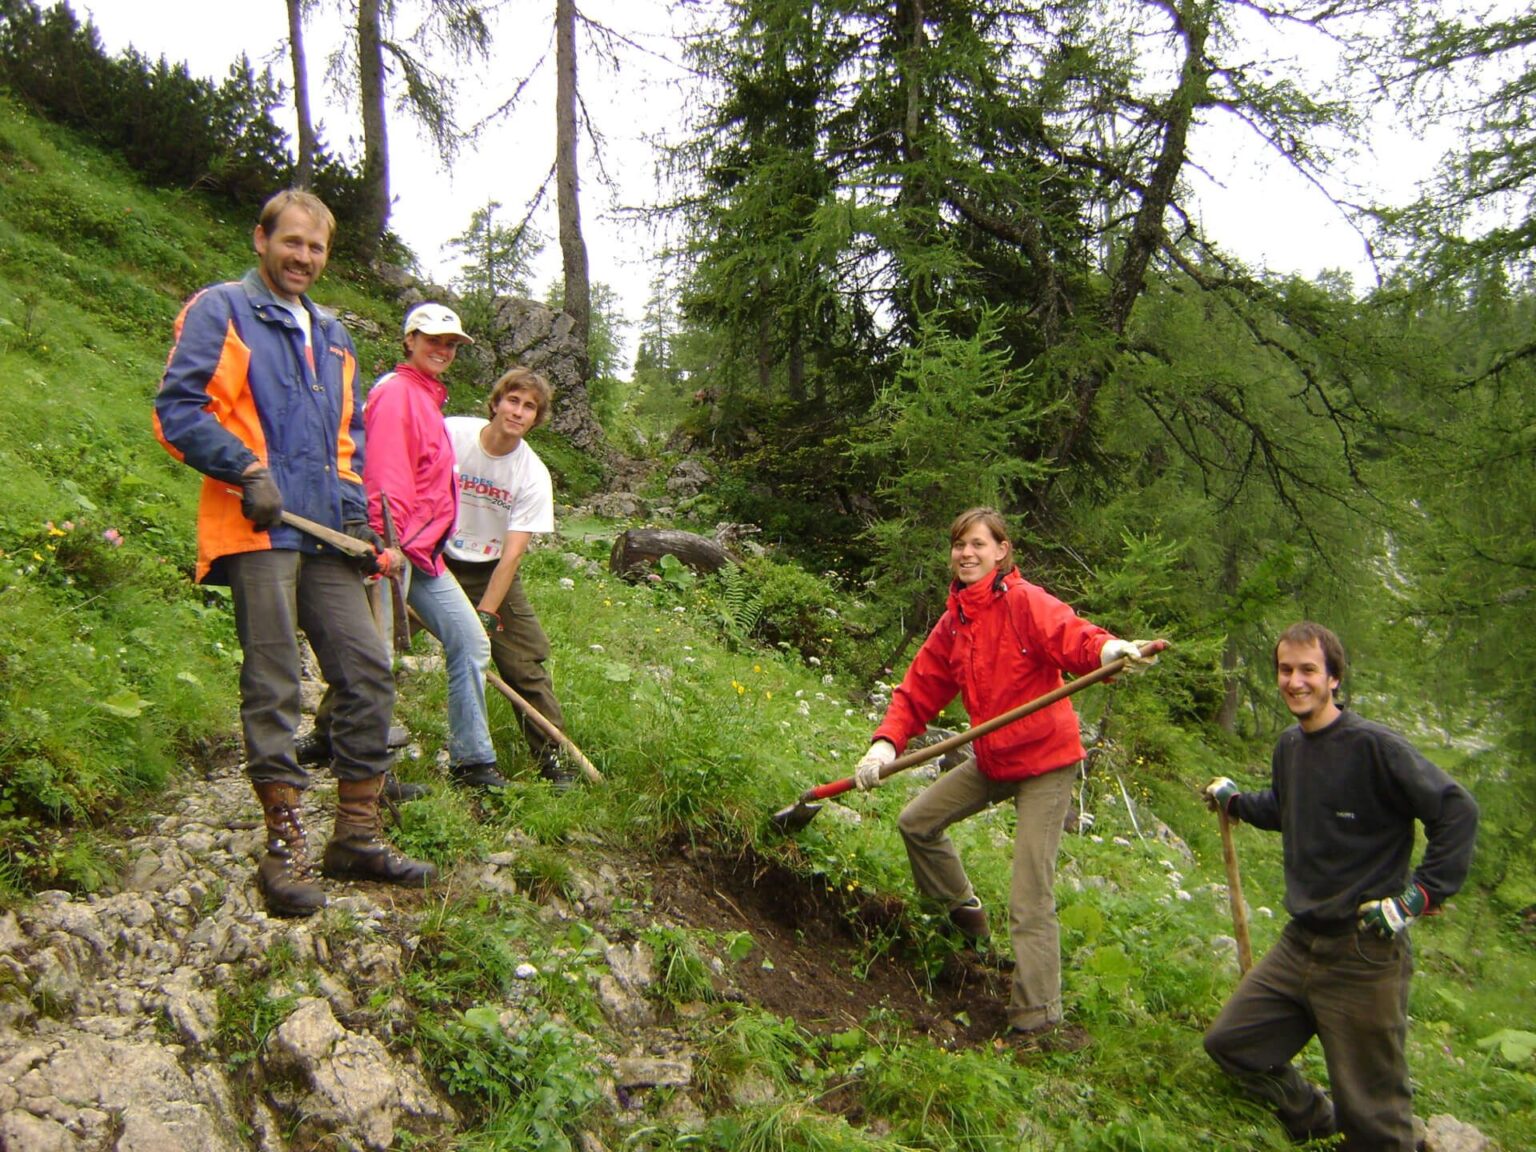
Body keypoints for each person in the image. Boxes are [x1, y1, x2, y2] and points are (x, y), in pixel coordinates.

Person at [153, 189, 436, 919]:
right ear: (261, 239)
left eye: (316, 248)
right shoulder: (222, 310)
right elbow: (178, 409)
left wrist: (364, 531)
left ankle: (357, 835)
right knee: (275, 681)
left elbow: (348, 444)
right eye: (292, 243)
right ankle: (282, 847)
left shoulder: (335, 334)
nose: (303, 257)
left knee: (366, 669)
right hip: (257, 530)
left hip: (326, 537)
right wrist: (246, 471)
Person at [851, 507, 1156, 1047]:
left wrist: (1112, 650)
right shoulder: (955, 622)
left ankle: (1037, 1017)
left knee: (1029, 894)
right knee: (917, 822)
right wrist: (884, 743)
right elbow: (918, 689)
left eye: (976, 544)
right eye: (958, 545)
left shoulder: (1023, 603)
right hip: (994, 758)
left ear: (1001, 551)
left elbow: (1074, 637)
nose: (965, 553)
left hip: (1045, 761)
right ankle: (962, 911)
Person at [1202, 621, 1479, 1149]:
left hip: (1363, 952)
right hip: (1299, 942)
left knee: (1374, 1121)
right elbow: (1289, 808)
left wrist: (1420, 895)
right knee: (1232, 1044)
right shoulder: (1291, 746)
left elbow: (1456, 809)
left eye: (1309, 670)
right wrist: (1236, 801)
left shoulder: (1375, 747)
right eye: (1286, 670)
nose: (1295, 681)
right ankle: (1312, 1116)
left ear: (1333, 678)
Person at [355, 302, 508, 791]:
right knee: (374, 653)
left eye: (450, 344)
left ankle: (472, 761)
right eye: (433, 339)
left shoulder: (426, 397)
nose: (442, 349)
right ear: (410, 340)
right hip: (393, 548)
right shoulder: (399, 394)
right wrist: (386, 540)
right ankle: (366, 768)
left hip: (423, 553)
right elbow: (386, 473)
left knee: (469, 638)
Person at [442, 366, 576, 791]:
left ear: (537, 419)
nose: (518, 411)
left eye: (530, 407)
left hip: (489, 571)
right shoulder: (452, 433)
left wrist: (486, 613)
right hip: (431, 558)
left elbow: (513, 554)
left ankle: (554, 758)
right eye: (513, 400)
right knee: (375, 638)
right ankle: (336, 732)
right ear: (496, 402)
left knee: (524, 661)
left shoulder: (532, 474)